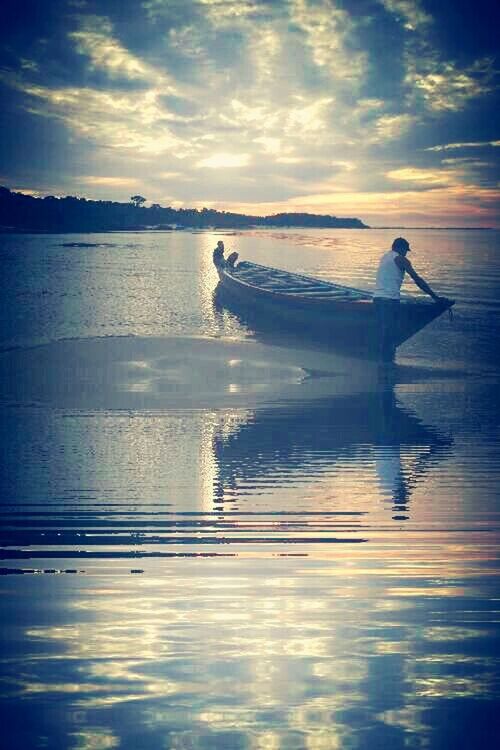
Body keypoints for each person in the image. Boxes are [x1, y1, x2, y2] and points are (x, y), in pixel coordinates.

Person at [373, 237, 446, 362]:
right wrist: (435, 297)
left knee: (384, 330)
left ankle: (384, 360)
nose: (406, 253)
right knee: (390, 331)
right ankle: (386, 362)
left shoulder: (385, 257)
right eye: (405, 250)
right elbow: (416, 279)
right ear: (400, 248)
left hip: (378, 298)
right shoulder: (401, 259)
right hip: (390, 300)